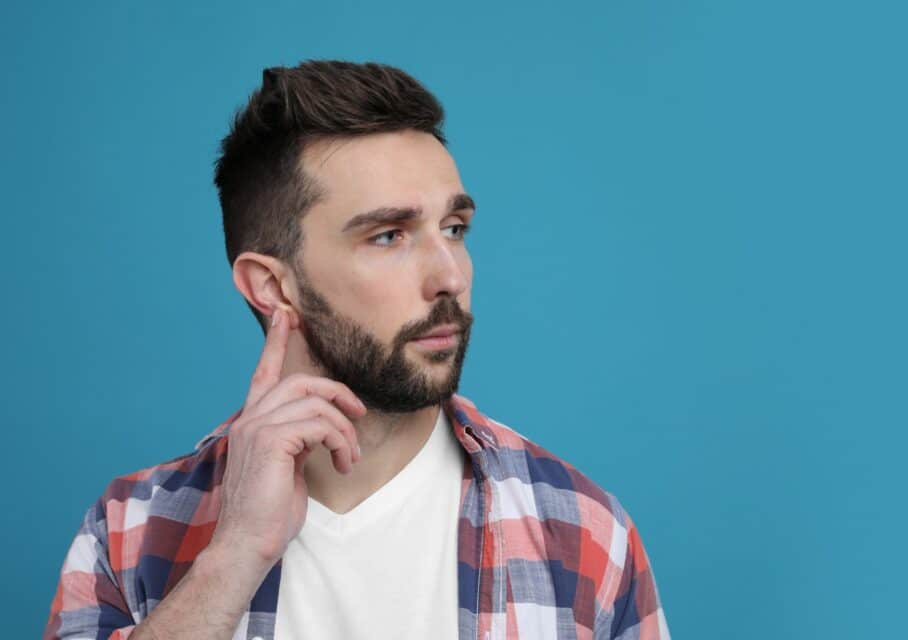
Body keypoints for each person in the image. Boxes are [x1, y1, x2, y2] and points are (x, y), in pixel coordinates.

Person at [43, 59, 670, 640]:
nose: (449, 275)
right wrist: (231, 558)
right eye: (389, 235)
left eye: (454, 229)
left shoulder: (582, 531)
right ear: (273, 287)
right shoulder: (128, 531)